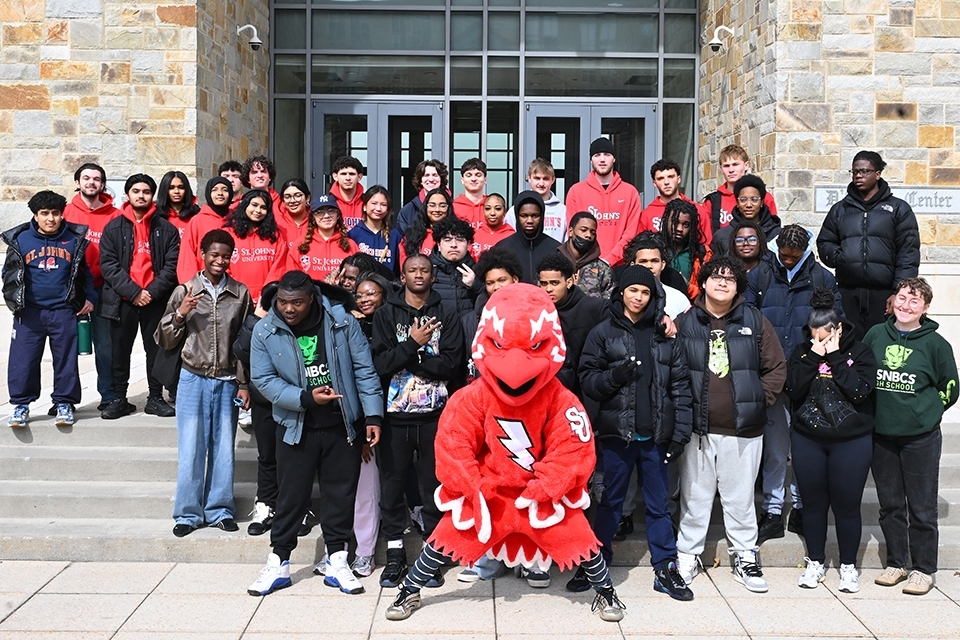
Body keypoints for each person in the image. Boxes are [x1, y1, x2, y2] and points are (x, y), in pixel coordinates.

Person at [385, 284, 626, 623]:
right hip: (491, 495)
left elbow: (572, 448)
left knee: (580, 537)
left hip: (538, 498)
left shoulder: (559, 398)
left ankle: (606, 592)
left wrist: (546, 486)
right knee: (445, 537)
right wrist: (473, 485)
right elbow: (454, 443)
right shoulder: (474, 395)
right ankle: (409, 590)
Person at [247, 270, 384, 596]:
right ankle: (278, 562)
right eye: (283, 302)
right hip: (296, 427)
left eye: (297, 302)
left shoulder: (342, 322)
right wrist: (305, 398)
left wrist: (373, 415)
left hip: (341, 425)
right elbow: (263, 380)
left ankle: (337, 560)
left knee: (340, 496)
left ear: (312, 298)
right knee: (290, 497)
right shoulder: (265, 329)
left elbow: (364, 370)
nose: (289, 309)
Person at [577, 265, 694, 601]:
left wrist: (680, 432)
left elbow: (680, 386)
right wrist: (614, 377)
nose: (639, 297)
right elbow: (588, 381)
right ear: (621, 292)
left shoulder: (664, 334)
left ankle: (665, 568)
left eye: (645, 292)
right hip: (617, 436)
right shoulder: (602, 332)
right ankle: (596, 564)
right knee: (610, 503)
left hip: (656, 437)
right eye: (633, 290)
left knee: (659, 505)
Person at [673, 255, 786, 594]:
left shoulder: (755, 321)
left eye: (730, 279)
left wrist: (757, 401)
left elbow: (776, 368)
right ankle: (687, 554)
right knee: (694, 497)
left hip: (742, 430)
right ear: (704, 282)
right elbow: (671, 368)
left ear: (738, 287)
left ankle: (745, 555)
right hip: (697, 429)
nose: (722, 282)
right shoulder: (685, 322)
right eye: (716, 277)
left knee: (740, 499)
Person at [746, 224, 843, 544]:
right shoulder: (760, 275)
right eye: (784, 255)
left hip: (809, 376)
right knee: (775, 451)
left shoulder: (822, 278)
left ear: (805, 252)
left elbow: (835, 324)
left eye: (794, 256)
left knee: (803, 449)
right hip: (771, 374)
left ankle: (801, 507)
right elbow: (747, 319)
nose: (788, 261)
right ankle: (773, 511)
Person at [371, 254, 465, 589]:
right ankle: (395, 553)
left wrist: (409, 356)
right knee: (392, 487)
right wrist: (414, 345)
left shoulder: (447, 314)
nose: (419, 275)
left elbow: (451, 365)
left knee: (433, 488)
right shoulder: (386, 314)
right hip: (394, 417)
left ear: (433, 275)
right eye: (413, 270)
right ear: (403, 276)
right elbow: (381, 365)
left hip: (435, 417)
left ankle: (431, 557)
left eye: (425, 270)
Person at [864, 277, 958, 595]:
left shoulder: (936, 344)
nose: (906, 305)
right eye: (902, 298)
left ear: (925, 307)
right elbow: (862, 372)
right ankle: (897, 563)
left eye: (914, 301)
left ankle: (923, 569)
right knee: (890, 505)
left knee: (921, 507)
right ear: (894, 300)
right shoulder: (876, 335)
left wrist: (927, 413)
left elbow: (950, 386)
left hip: (920, 438)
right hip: (882, 435)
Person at [159, 230, 252, 536]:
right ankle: (187, 513)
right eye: (214, 254)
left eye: (225, 255)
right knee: (191, 448)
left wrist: (243, 383)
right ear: (202, 254)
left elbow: (243, 343)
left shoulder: (240, 293)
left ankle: (220, 509)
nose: (219, 261)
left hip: (227, 380)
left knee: (223, 448)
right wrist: (180, 315)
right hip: (193, 378)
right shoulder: (185, 290)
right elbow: (164, 338)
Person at [784, 288, 876, 592]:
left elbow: (859, 391)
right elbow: (792, 388)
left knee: (847, 506)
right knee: (813, 505)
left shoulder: (861, 352)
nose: (820, 341)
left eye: (825, 336)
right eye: (815, 336)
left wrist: (835, 357)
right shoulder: (802, 352)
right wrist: (814, 356)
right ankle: (816, 562)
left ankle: (848, 566)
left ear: (838, 330)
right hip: (808, 438)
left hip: (851, 441)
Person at [3, 190, 93, 428]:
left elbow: (85, 273)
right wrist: (13, 301)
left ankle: (64, 403)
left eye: (55, 213)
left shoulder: (73, 239)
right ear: (35, 215)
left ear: (62, 214)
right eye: (44, 213)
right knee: (23, 360)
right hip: (29, 312)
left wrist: (89, 298)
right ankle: (21, 405)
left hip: (63, 310)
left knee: (66, 360)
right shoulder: (21, 240)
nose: (50, 218)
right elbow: (8, 274)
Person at [98, 174, 180, 420]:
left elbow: (171, 266)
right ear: (127, 195)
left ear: (152, 195)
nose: (141, 195)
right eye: (136, 191)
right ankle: (119, 399)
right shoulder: (113, 228)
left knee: (155, 351)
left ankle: (155, 398)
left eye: (146, 191)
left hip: (155, 301)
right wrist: (134, 293)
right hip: (123, 301)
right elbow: (109, 265)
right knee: (119, 352)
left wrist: (151, 293)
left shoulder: (166, 229)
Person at [817, 150, 921, 340]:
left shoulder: (898, 209)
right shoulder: (840, 209)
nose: (858, 175)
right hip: (848, 292)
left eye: (864, 171)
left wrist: (898, 293)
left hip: (883, 294)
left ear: (878, 174)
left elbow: (908, 254)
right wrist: (841, 257)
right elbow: (824, 242)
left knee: (881, 344)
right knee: (848, 345)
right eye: (855, 171)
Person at [63, 162, 120, 411]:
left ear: (103, 184)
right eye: (86, 178)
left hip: (103, 289)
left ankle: (108, 395)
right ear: (77, 182)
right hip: (69, 290)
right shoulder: (65, 213)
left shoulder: (115, 216)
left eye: (96, 179)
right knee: (66, 347)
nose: (91, 182)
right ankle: (65, 399)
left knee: (105, 346)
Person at [565, 137, 642, 261]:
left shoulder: (630, 193)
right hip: (585, 264)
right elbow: (574, 233)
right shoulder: (576, 192)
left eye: (607, 154)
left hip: (621, 264)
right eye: (597, 155)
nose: (602, 159)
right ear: (591, 160)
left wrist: (609, 260)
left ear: (614, 158)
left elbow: (631, 234)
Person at [222, 189, 293, 303]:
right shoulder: (228, 233)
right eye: (254, 205)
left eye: (263, 207)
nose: (258, 210)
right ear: (245, 205)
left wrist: (265, 296)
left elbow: (279, 267)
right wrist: (238, 293)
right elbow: (223, 265)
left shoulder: (275, 236)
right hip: (234, 298)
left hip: (266, 300)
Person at [703, 145, 778, 233]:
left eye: (735, 164)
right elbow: (706, 235)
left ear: (746, 165)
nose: (731, 170)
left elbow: (772, 230)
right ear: (721, 169)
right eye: (726, 166)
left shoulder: (764, 197)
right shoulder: (712, 201)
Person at [494, 190, 561, 285]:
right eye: (524, 216)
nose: (529, 221)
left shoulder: (555, 249)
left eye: (535, 216)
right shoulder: (502, 249)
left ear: (542, 216)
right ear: (517, 216)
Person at [177, 177, 234, 283]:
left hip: (234, 285)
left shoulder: (237, 220)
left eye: (225, 190)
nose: (220, 193)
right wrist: (191, 285)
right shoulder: (197, 221)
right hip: (205, 284)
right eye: (215, 190)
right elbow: (187, 256)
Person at [429, 216, 481, 329]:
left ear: (468, 244)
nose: (453, 244)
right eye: (447, 239)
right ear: (438, 245)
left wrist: (475, 285)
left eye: (460, 239)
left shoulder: (479, 270)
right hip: (438, 332)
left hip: (470, 332)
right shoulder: (427, 270)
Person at [622, 232, 689, 319]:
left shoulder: (678, 299)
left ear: (663, 264)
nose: (649, 266)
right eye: (643, 261)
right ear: (633, 265)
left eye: (654, 261)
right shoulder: (623, 297)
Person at [710, 175, 781, 257]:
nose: (748, 205)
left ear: (761, 202)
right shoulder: (722, 236)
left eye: (754, 199)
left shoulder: (777, 234)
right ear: (737, 203)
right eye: (743, 200)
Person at [297, 194, 359, 280]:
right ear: (313, 217)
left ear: (338, 215)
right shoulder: (300, 244)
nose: (326, 216)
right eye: (320, 212)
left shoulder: (351, 245)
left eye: (331, 211)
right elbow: (292, 280)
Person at [504, 158, 567, 242]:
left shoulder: (563, 211)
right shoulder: (515, 210)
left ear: (553, 180)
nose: (541, 183)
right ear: (529, 178)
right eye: (537, 178)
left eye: (545, 179)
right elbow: (509, 240)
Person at [661, 199, 710, 301]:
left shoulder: (702, 254)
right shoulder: (654, 248)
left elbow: (708, 294)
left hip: (688, 308)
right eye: (675, 222)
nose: (679, 229)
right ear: (666, 221)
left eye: (686, 225)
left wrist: (686, 285)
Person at [558, 212, 614, 300]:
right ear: (571, 231)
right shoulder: (554, 263)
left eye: (592, 232)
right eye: (583, 230)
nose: (588, 235)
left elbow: (609, 303)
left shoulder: (603, 269)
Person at [348, 185, 401, 272]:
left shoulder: (395, 235)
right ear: (364, 206)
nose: (378, 208)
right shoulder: (353, 234)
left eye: (383, 204)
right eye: (374, 203)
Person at [399, 188, 453, 267]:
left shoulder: (456, 235)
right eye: (432, 205)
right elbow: (405, 266)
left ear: (449, 208)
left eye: (442, 206)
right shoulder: (411, 235)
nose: (437, 209)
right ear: (425, 207)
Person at [396, 159, 449, 235]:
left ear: (441, 179)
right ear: (421, 180)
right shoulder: (407, 211)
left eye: (435, 175)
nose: (431, 179)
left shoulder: (453, 206)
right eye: (426, 175)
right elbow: (403, 238)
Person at [155, 171, 200, 238]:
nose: (176, 191)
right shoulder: (156, 216)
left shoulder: (196, 214)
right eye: (171, 188)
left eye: (181, 187)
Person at [470, 193, 514, 260]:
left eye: (498, 209)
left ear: (504, 211)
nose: (492, 213)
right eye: (488, 209)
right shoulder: (474, 234)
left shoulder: (512, 236)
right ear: (483, 211)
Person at [330, 156, 365, 231]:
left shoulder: (367, 202)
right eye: (343, 174)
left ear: (359, 177)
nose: (348, 178)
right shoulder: (328, 203)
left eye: (352, 174)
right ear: (335, 176)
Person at [276, 178, 311, 251]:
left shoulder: (317, 221)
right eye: (287, 197)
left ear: (307, 198)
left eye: (297, 195)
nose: (292, 201)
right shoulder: (276, 222)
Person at [452, 158, 487, 229]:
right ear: (462, 180)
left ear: (485, 180)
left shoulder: (493, 206)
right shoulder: (453, 207)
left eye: (478, 175)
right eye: (469, 175)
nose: (473, 179)